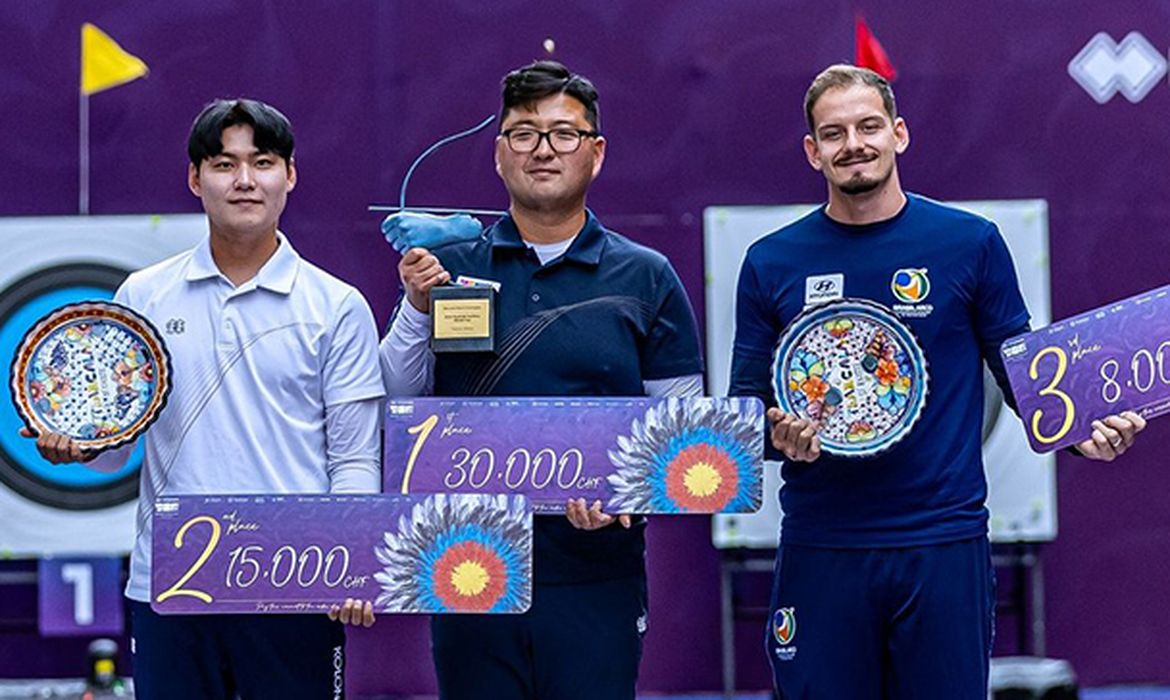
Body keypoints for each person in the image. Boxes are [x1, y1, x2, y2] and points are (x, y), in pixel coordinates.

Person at [729, 64, 1146, 699]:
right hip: (823, 544)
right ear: (813, 151)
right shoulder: (770, 262)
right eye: (834, 133)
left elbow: (1020, 371)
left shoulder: (969, 243)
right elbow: (745, 415)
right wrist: (775, 433)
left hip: (943, 542)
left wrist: (1080, 430)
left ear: (899, 133)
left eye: (869, 126)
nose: (854, 145)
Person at [23, 98, 383, 699]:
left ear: (289, 175)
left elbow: (352, 457)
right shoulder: (145, 294)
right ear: (196, 179)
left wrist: (348, 557)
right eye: (223, 164)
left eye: (262, 162)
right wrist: (81, 448)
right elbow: (118, 447)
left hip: (293, 586)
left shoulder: (336, 305)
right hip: (172, 587)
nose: (244, 180)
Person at [379, 60, 703, 700]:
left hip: (595, 574)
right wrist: (416, 307)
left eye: (564, 134)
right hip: (467, 564)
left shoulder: (647, 276)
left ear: (596, 152)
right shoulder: (445, 269)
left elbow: (680, 426)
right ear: (500, 154)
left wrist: (626, 498)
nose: (543, 150)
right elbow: (396, 400)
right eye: (524, 134)